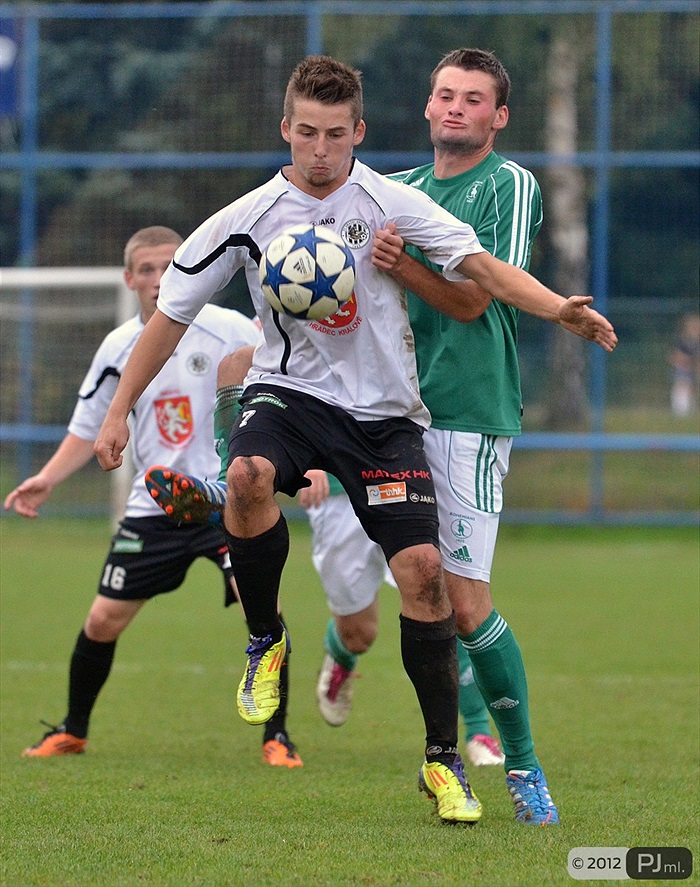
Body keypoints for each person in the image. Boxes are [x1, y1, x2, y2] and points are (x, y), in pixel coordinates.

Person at [93, 56, 616, 825]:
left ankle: (444, 758)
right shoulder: (247, 217)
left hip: (382, 416)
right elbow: (171, 313)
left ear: (358, 132)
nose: (320, 149)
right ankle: (265, 638)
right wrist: (118, 410)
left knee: (427, 576)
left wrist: (556, 309)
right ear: (286, 128)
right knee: (247, 475)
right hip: (293, 395)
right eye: (306, 132)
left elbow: (482, 271)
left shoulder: (390, 202)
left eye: (335, 134)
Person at [4, 226, 302, 768]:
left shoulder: (230, 330)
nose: (159, 277)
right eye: (147, 269)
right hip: (155, 505)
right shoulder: (118, 347)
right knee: (102, 621)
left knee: (263, 609)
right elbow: (90, 425)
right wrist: (47, 478)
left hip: (226, 501)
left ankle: (277, 738)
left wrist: (307, 462)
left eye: (170, 266)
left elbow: (288, 387)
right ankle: (73, 730)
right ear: (129, 279)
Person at [147, 349, 506, 769]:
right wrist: (303, 452)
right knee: (359, 633)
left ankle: (477, 731)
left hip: (398, 461)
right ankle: (341, 654)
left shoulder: (401, 311)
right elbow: (243, 364)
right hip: (333, 495)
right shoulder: (298, 313)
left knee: (442, 594)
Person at [669, 312, 700, 417]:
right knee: (682, 382)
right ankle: (681, 411)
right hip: (684, 370)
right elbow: (674, 357)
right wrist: (687, 362)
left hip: (695, 370)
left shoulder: (697, 343)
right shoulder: (682, 342)